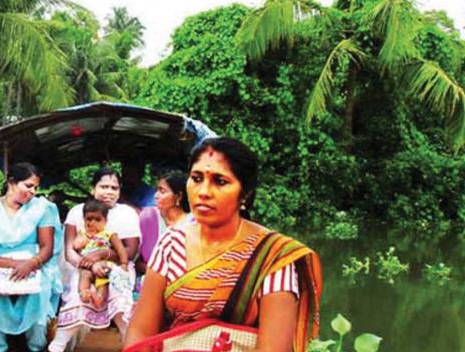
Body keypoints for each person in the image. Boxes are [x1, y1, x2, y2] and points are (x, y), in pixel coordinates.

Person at [125, 137, 322, 352]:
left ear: (245, 194)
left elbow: (273, 348)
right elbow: (141, 332)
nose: (203, 192)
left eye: (220, 181)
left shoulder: (271, 256)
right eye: (197, 178)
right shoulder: (171, 243)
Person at [0, 163, 62, 352]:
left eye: (36, 187)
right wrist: (11, 265)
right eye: (28, 186)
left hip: (35, 264)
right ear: (11, 183)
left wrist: (31, 264)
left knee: (38, 291)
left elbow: (47, 247)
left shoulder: (43, 209)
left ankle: (36, 346)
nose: (33, 191)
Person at [49, 167, 141, 352]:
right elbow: (70, 251)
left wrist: (102, 256)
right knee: (79, 296)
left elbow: (130, 251)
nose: (108, 192)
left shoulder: (127, 213)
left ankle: (132, 346)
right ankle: (57, 347)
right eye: (103, 186)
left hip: (117, 267)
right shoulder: (77, 211)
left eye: (114, 188)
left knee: (119, 300)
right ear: (93, 189)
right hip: (81, 268)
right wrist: (90, 266)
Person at [74, 199, 130, 307]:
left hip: (103, 263)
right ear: (84, 219)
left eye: (97, 220)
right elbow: (76, 246)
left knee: (103, 279)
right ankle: (84, 293)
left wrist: (124, 263)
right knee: (84, 275)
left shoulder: (109, 234)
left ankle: (99, 298)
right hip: (87, 265)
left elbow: (120, 249)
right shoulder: (82, 233)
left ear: (105, 220)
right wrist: (83, 239)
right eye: (89, 219)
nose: (92, 223)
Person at [135, 171, 189, 277]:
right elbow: (136, 262)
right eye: (156, 190)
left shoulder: (192, 223)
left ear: (178, 196)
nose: (155, 196)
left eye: (162, 191)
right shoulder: (148, 216)